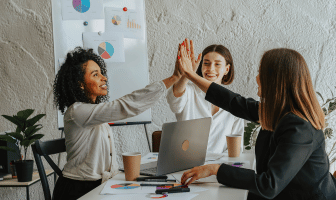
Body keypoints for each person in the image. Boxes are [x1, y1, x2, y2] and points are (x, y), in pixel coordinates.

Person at [177, 43, 336, 199]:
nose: (256, 77)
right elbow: (233, 102)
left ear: (275, 81)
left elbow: (269, 185)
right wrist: (191, 75)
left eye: (261, 73)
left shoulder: (299, 127)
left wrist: (216, 170)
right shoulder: (277, 112)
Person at [52, 47, 181, 200]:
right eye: (95, 74)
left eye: (101, 72)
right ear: (80, 84)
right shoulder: (77, 112)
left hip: (99, 186)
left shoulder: (93, 113)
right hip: (77, 191)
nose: (104, 78)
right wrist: (173, 78)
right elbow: (124, 106)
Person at [167, 39, 244, 154]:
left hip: (218, 167)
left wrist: (219, 168)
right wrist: (187, 73)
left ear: (226, 69)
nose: (211, 69)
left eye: (217, 64)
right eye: (206, 63)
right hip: (187, 164)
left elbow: (236, 148)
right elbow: (174, 102)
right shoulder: (189, 91)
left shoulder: (234, 102)